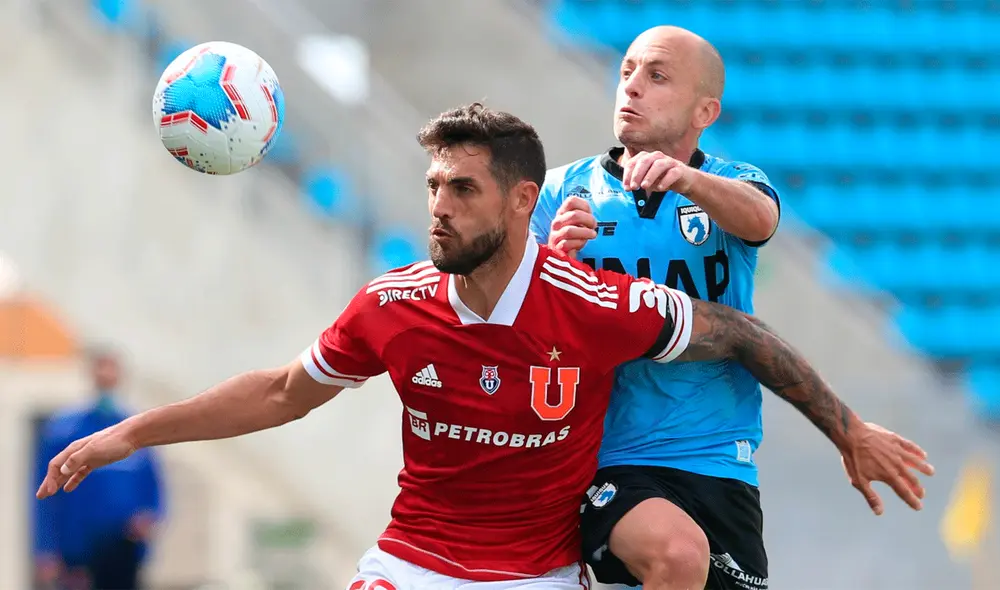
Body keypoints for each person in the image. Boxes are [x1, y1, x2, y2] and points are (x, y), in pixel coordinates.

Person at [37, 104, 932, 590]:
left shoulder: (595, 305)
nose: (438, 205)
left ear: (521, 202)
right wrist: (129, 434)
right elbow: (279, 391)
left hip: (535, 575)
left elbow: (740, 332)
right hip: (409, 565)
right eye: (432, 184)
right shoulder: (391, 307)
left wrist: (847, 427)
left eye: (462, 187)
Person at [531, 25, 878, 590]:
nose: (632, 87)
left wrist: (688, 181)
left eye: (656, 75)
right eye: (626, 72)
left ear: (705, 111)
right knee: (675, 555)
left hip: (718, 459)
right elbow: (520, 327)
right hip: (606, 456)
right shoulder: (559, 193)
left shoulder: (730, 185)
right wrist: (552, 259)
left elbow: (761, 219)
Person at [33, 347, 165, 590]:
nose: (106, 374)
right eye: (101, 367)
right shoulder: (65, 430)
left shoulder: (134, 428)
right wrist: (46, 547)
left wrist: (151, 516)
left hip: (124, 547)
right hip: (78, 550)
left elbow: (155, 486)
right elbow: (44, 492)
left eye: (112, 368)